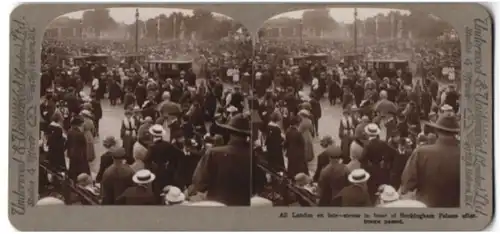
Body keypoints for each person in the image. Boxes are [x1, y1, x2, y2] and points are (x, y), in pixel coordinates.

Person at [400, 113, 460, 207]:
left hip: (427, 209)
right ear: (456, 133)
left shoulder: (421, 152)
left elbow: (407, 183)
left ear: (436, 130)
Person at [192, 113, 251, 206]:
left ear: (229, 132)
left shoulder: (213, 153)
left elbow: (198, 182)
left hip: (217, 205)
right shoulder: (254, 156)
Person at [66, 116, 90, 181]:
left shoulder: (70, 131)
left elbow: (68, 143)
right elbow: (84, 146)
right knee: (81, 170)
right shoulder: (80, 134)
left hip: (72, 153)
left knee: (73, 169)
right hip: (79, 155)